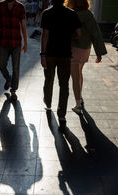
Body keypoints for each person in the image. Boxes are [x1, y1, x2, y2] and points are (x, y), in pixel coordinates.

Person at [40, 0, 81, 130]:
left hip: (50, 54)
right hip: (65, 54)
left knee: (49, 79)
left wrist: (43, 54)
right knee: (64, 85)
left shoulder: (47, 13)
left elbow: (45, 35)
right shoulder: (72, 14)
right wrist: (68, 37)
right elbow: (79, 34)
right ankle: (62, 115)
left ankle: (48, 102)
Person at [64, 0, 107, 114]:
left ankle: (78, 104)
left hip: (74, 49)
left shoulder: (71, 15)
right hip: (85, 50)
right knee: (79, 73)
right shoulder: (89, 15)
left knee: (75, 77)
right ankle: (80, 97)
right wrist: (99, 53)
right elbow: (96, 33)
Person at [0, 0, 28, 101]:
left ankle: (13, 90)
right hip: (3, 42)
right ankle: (8, 78)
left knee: (16, 68)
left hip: (16, 42)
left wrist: (25, 42)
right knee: (1, 65)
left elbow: (23, 25)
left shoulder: (20, 7)